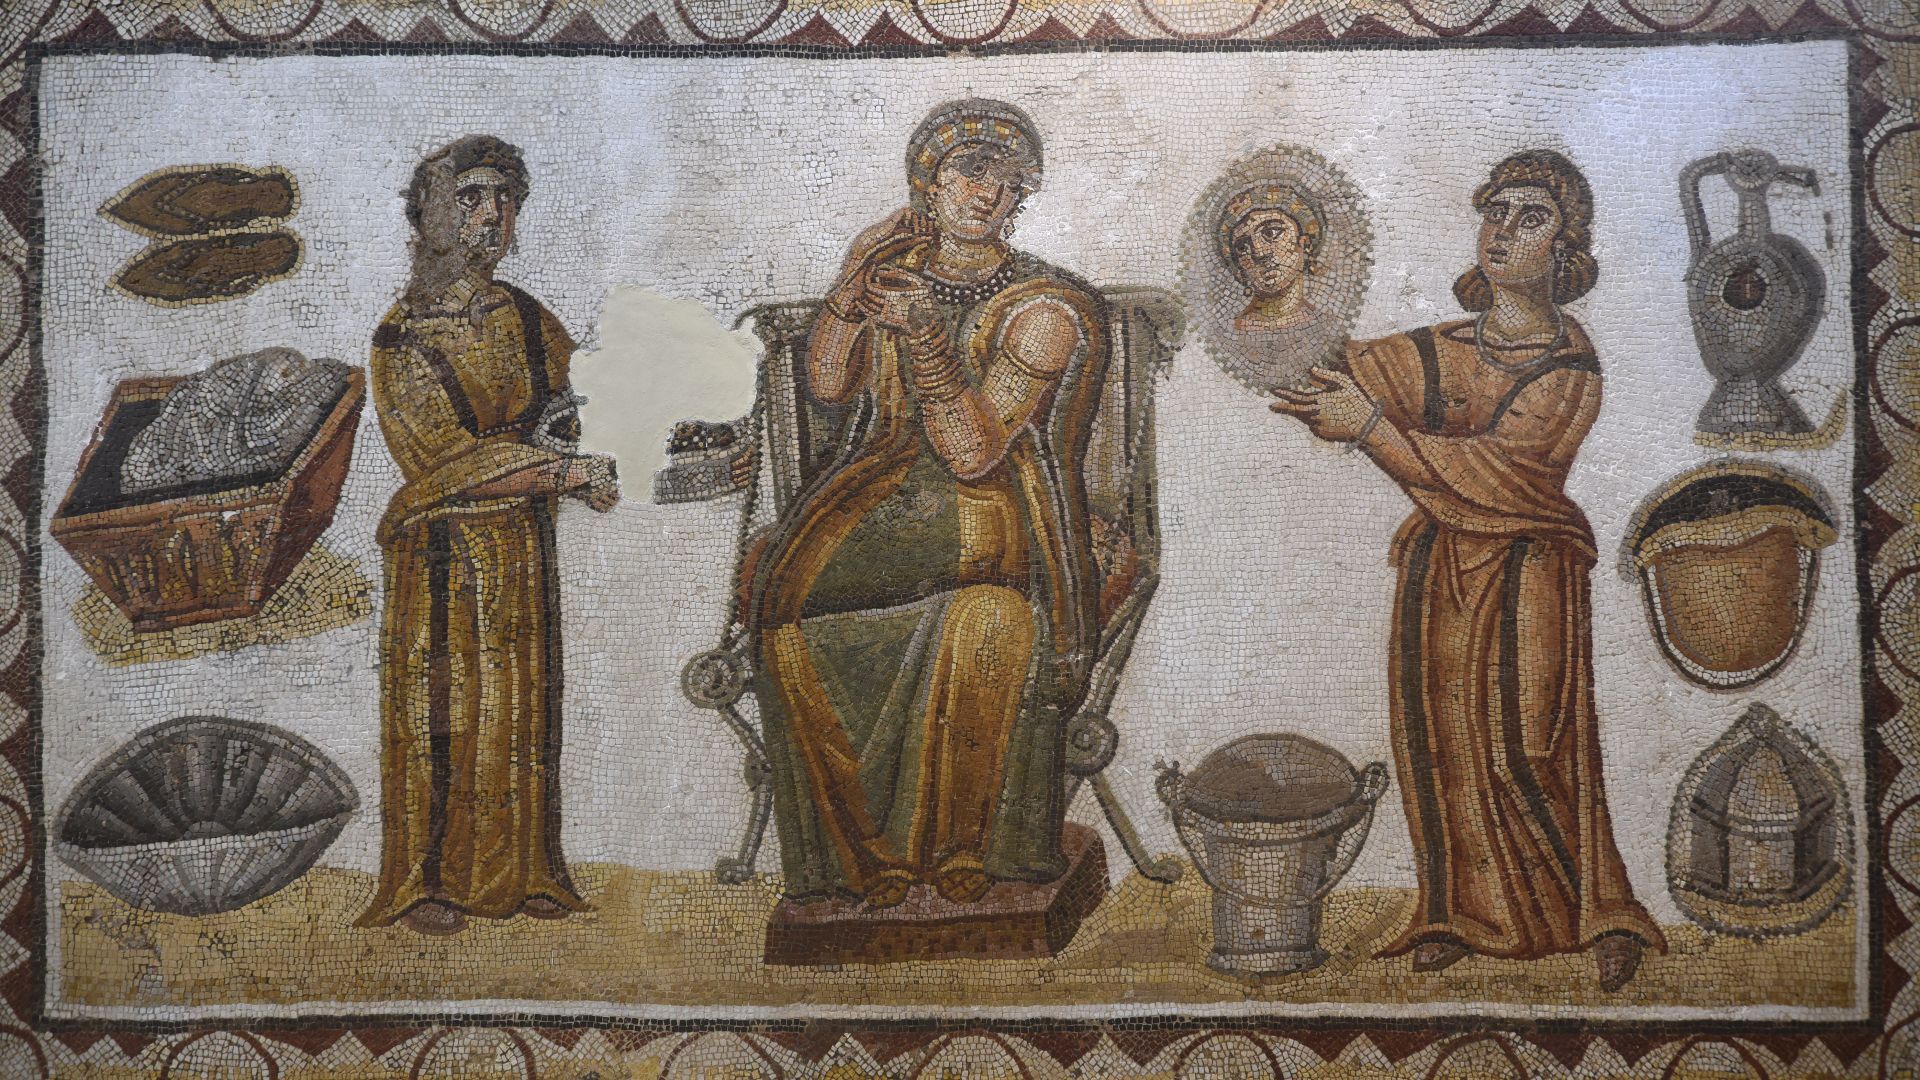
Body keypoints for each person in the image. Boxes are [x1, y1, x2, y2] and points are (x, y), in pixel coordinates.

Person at [1270, 149, 1665, 991]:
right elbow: (1337, 369)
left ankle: (1597, 915)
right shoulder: (1444, 345)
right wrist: (1287, 286)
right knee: (1443, 738)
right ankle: (1465, 913)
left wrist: (1372, 429)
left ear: (1567, 247)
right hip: (1442, 569)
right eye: (1497, 211)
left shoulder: (1571, 368)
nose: (1504, 231)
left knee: (1532, 741)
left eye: (1531, 217)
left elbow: (1501, 473)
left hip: (1529, 570)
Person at [747, 99, 1110, 911]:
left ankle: (960, 847)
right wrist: (850, 282)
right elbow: (830, 385)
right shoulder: (895, 274)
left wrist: (925, 338)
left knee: (988, 618)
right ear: (929, 182)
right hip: (879, 495)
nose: (989, 193)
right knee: (783, 625)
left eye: (1009, 180)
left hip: (993, 513)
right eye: (970, 171)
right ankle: (860, 859)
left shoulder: (1042, 309)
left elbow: (974, 453)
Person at [357, 135, 618, 936]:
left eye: (505, 200)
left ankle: (527, 869)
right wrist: (558, 475)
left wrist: (650, 429)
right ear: (431, 214)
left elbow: (585, 406)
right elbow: (437, 463)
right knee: (444, 712)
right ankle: (427, 881)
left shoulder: (529, 318)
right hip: (441, 555)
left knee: (522, 708)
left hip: (520, 550)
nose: (492, 216)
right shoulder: (401, 335)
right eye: (470, 198)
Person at [1220, 182, 1322, 333]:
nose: (1260, 254)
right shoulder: (1230, 334)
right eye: (1242, 247)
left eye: (1271, 233)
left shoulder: (1328, 327)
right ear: (1239, 270)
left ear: (1304, 244)